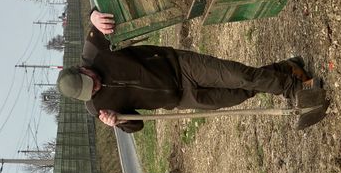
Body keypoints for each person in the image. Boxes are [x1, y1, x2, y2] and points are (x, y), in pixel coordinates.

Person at [57, 8, 317, 133]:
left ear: (82, 68)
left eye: (91, 81)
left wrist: (92, 14)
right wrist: (118, 121)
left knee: (240, 76)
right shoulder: (97, 107)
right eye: (91, 91)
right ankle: (286, 69)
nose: (96, 87)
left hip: (180, 65)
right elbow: (138, 124)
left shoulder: (95, 49)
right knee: (238, 94)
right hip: (181, 98)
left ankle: (299, 90)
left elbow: (106, 11)